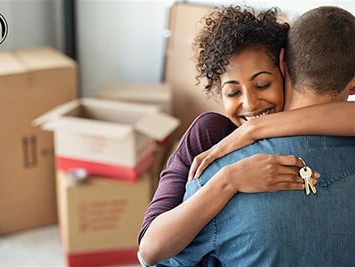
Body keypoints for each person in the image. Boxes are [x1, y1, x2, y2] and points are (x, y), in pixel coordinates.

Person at [138, 6, 355, 266]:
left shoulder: (222, 164)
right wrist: (228, 181)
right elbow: (149, 250)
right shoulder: (208, 142)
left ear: (283, 65)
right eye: (233, 92)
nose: (251, 104)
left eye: (263, 84)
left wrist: (255, 130)